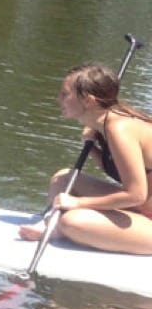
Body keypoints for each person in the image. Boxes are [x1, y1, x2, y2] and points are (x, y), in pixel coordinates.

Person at [18, 64, 152, 255]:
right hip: (140, 208)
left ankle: (61, 227)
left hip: (144, 211)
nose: (58, 99)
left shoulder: (119, 129)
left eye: (65, 94)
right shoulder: (107, 124)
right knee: (63, 178)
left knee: (73, 221)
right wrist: (94, 148)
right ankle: (52, 224)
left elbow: (136, 194)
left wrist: (78, 203)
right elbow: (118, 168)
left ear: (88, 101)